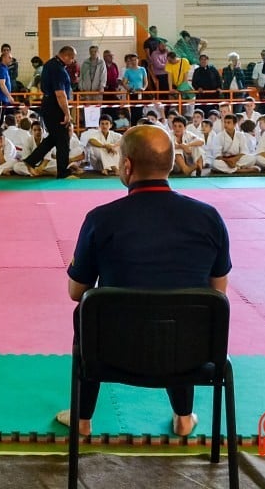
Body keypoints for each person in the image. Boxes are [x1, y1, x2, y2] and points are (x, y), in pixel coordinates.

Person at [58, 124, 230, 437]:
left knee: (86, 311)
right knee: (188, 310)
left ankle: (83, 418)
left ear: (126, 165)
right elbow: (218, 293)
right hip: (190, 354)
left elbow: (75, 291)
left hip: (111, 353)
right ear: (170, 163)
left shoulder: (100, 219)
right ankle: (183, 416)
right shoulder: (209, 218)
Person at [22, 45, 74, 178]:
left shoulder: (49, 64)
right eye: (72, 58)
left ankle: (31, 160)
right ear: (66, 56)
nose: (73, 61)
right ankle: (63, 172)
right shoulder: (58, 69)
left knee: (54, 138)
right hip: (55, 106)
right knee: (62, 139)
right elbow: (60, 94)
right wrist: (67, 113)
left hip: (48, 104)